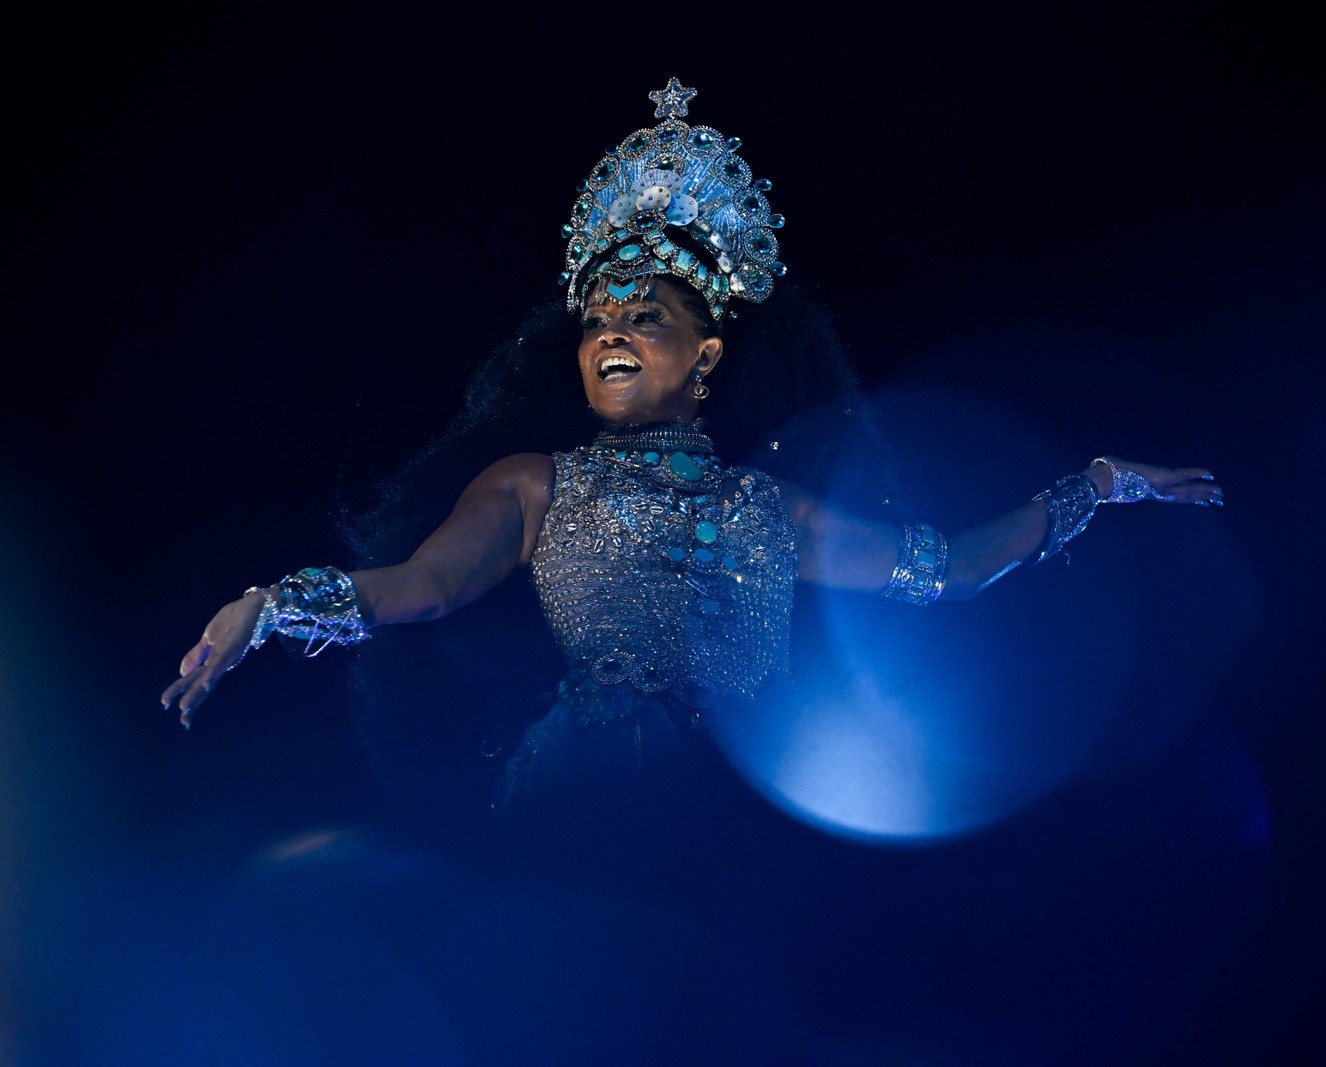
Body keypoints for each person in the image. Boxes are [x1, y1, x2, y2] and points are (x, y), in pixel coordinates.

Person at [160, 79, 1224, 820]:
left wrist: (1099, 483)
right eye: (597, 322)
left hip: (744, 807)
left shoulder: (772, 508)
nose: (613, 331)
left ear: (704, 357)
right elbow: (425, 584)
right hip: (577, 796)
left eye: (647, 317)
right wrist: (274, 603)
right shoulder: (534, 487)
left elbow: (942, 569)